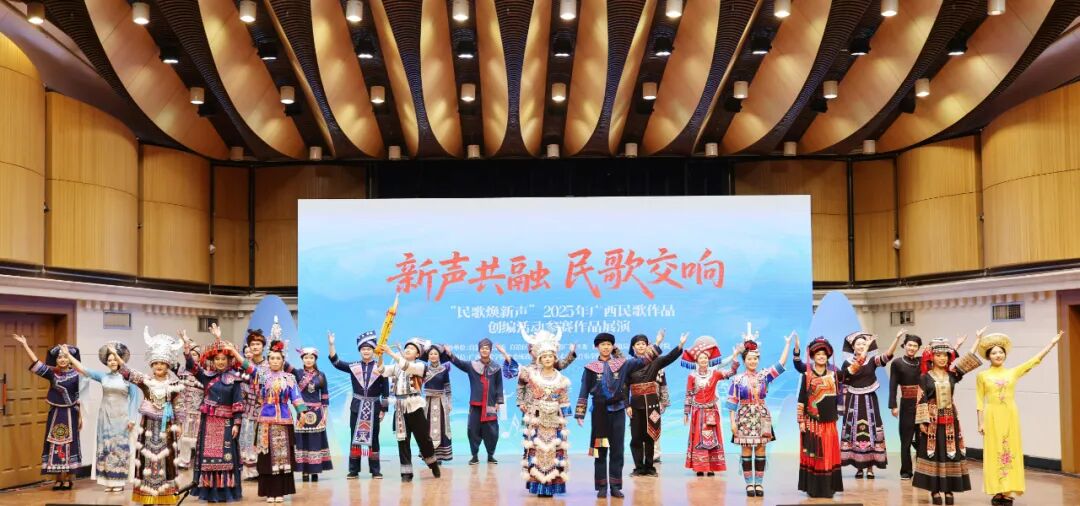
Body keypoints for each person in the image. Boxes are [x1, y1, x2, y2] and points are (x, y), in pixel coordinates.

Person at [976, 330, 1063, 506]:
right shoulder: (982, 376)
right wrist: (981, 422)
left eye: (1001, 352)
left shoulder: (1013, 372)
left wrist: (1051, 344)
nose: (998, 355)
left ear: (1005, 354)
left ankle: (1008, 491)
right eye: (994, 353)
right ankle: (998, 490)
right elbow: (979, 400)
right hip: (992, 416)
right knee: (994, 451)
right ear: (988, 356)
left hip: (1010, 415)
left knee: (1010, 450)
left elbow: (1034, 361)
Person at [575, 332, 655, 498]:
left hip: (618, 411)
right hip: (599, 414)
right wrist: (580, 414)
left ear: (613, 347)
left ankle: (615, 486)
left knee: (617, 450)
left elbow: (643, 361)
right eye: (602, 344)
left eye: (609, 344)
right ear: (597, 347)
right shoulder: (590, 368)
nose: (606, 347)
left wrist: (657, 345)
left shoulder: (622, 364)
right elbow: (584, 390)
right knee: (600, 449)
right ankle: (602, 486)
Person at [113, 328, 185, 505]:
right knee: (146, 459)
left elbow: (179, 406)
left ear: (168, 365)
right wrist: (116, 356)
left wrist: (180, 424)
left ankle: (165, 497)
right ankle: (147, 497)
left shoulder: (174, 384)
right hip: (147, 429)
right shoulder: (146, 381)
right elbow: (127, 372)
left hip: (167, 429)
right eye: (155, 363)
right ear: (151, 365)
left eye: (162, 363)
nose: (159, 366)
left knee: (167, 460)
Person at [10, 334, 87, 491]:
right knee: (54, 443)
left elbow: (81, 397)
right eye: (59, 357)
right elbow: (36, 363)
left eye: (65, 357)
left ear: (70, 359)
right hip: (56, 414)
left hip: (71, 413)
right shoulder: (53, 373)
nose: (62, 360)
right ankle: (58, 479)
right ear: (56, 360)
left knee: (69, 443)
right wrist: (25, 344)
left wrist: (81, 417)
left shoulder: (78, 375)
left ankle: (68, 478)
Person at [913, 336, 982, 505]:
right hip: (931, 420)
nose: (942, 358)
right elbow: (920, 399)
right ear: (932, 357)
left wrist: (977, 340)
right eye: (938, 355)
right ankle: (934, 490)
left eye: (945, 355)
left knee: (949, 452)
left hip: (950, 419)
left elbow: (966, 362)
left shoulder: (952, 375)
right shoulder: (925, 377)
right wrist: (921, 422)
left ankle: (949, 488)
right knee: (934, 453)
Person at [64, 342, 140, 492]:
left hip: (122, 417)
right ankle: (108, 481)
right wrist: (68, 356)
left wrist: (132, 419)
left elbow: (135, 398)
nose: (112, 362)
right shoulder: (103, 376)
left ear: (120, 360)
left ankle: (119, 481)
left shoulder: (129, 377)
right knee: (105, 447)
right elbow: (83, 369)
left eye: (115, 359)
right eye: (109, 360)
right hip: (105, 416)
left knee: (119, 448)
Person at [726, 329, 792, 497]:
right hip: (744, 416)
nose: (753, 361)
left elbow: (781, 364)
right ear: (744, 360)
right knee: (747, 450)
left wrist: (787, 344)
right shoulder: (737, 379)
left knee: (761, 449)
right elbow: (732, 402)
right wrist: (732, 422)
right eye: (749, 358)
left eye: (755, 358)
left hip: (762, 416)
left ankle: (759, 484)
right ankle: (749, 484)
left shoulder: (764, 376)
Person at [183, 325, 246, 503]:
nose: (220, 362)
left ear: (228, 360)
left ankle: (226, 491)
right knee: (208, 457)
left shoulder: (234, 379)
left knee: (226, 456)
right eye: (217, 359)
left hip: (227, 424)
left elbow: (238, 402)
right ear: (213, 360)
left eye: (223, 359)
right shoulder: (206, 376)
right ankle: (209, 491)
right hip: (209, 422)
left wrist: (237, 423)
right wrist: (187, 350)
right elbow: (192, 367)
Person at [246, 339, 311, 503]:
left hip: (283, 421)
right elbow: (247, 366)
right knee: (266, 457)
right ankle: (269, 492)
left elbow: (296, 397)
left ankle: (280, 491)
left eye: (278, 358)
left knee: (282, 457)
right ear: (268, 360)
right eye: (272, 358)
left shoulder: (289, 378)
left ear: (283, 360)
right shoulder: (262, 376)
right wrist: (233, 352)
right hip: (265, 421)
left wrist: (302, 413)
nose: (275, 361)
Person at [838, 330, 903, 478]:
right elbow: (847, 377)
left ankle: (870, 468)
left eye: (864, 344)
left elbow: (887, 356)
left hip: (870, 400)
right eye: (858, 344)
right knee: (854, 431)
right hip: (853, 400)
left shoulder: (872, 361)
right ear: (853, 347)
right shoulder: (848, 363)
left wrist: (896, 338)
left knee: (872, 430)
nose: (861, 346)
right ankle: (859, 467)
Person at [443, 337, 518, 465]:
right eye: (482, 348)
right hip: (476, 405)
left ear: (490, 350)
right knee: (473, 431)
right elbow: (459, 363)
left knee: (492, 432)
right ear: (479, 350)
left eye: (487, 348)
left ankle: (490, 455)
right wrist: (450, 354)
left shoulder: (496, 367)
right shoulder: (472, 365)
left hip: (490, 405)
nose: (484, 350)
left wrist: (498, 402)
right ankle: (474, 456)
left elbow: (499, 385)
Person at [517, 327, 572, 497]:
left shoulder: (561, 379)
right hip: (537, 419)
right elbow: (520, 381)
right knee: (537, 452)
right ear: (539, 358)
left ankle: (552, 486)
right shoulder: (532, 375)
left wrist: (566, 417)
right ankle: (538, 486)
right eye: (545, 356)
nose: (548, 359)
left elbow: (564, 400)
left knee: (554, 452)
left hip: (555, 421)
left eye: (550, 356)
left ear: (555, 358)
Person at [377, 338, 442, 481]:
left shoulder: (420, 366)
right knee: (403, 440)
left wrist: (390, 353)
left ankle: (433, 464)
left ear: (417, 354)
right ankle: (406, 473)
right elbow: (381, 371)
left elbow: (406, 366)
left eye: (412, 349)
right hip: (400, 407)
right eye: (407, 347)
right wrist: (381, 355)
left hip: (415, 406)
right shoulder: (396, 366)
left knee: (424, 439)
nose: (408, 350)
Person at [625, 329, 686, 477]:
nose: (641, 346)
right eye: (638, 344)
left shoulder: (655, 362)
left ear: (648, 346)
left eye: (643, 344)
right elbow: (624, 386)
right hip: (635, 405)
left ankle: (649, 467)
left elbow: (669, 358)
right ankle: (639, 468)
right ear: (633, 347)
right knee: (636, 437)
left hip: (652, 405)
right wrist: (627, 405)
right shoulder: (629, 364)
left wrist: (680, 345)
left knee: (650, 436)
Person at [328, 330, 389, 479]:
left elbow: (386, 391)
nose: (366, 351)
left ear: (373, 351)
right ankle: (353, 470)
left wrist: (383, 409)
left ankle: (375, 470)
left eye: (369, 349)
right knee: (355, 438)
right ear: (359, 351)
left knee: (374, 439)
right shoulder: (353, 366)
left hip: (374, 407)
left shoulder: (381, 367)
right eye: (363, 349)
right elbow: (336, 362)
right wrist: (331, 344)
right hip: (357, 407)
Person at [681, 335, 740, 477]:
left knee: (712, 438)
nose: (703, 360)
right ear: (697, 360)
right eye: (701, 358)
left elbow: (731, 373)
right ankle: (700, 467)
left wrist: (735, 358)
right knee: (698, 439)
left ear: (708, 360)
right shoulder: (692, 376)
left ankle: (712, 466)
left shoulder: (715, 374)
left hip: (711, 411)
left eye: (706, 358)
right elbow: (689, 394)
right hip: (697, 412)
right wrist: (686, 413)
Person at [797, 337, 843, 499]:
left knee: (829, 453)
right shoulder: (807, 375)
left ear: (827, 356)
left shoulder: (834, 374)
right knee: (814, 455)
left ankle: (829, 488)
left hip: (829, 421)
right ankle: (813, 488)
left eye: (824, 354)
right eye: (818, 354)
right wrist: (801, 421)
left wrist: (862, 354)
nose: (821, 357)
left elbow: (852, 371)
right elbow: (802, 398)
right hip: (812, 422)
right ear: (813, 357)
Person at [293, 346, 332, 481]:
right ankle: (304, 471)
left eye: (311, 358)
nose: (308, 360)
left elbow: (325, 396)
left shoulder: (321, 375)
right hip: (302, 411)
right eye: (306, 357)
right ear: (302, 359)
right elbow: (285, 366)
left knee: (315, 440)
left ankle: (315, 470)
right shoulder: (298, 373)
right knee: (303, 440)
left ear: (315, 359)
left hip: (317, 412)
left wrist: (325, 415)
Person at [889, 333, 924, 480]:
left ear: (918, 348)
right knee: (906, 439)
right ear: (905, 346)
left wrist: (957, 346)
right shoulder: (897, 363)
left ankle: (922, 471)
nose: (912, 348)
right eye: (910, 345)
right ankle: (906, 471)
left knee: (922, 438)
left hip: (922, 404)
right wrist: (893, 406)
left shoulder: (922, 361)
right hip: (906, 405)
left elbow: (942, 358)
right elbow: (892, 385)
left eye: (915, 346)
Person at [175, 342, 204, 470]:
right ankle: (184, 460)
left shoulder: (204, 372)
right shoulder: (182, 370)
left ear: (200, 357)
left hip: (198, 409)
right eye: (190, 354)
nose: (192, 357)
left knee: (198, 437)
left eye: (195, 354)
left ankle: (199, 461)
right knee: (184, 437)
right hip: (184, 407)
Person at [422, 344, 453, 462]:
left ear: (439, 356)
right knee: (427, 428)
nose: (433, 356)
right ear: (428, 356)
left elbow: (448, 388)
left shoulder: (444, 370)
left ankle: (440, 456)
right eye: (431, 354)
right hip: (428, 403)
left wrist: (449, 402)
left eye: (435, 354)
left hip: (441, 402)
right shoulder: (423, 369)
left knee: (442, 428)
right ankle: (429, 455)